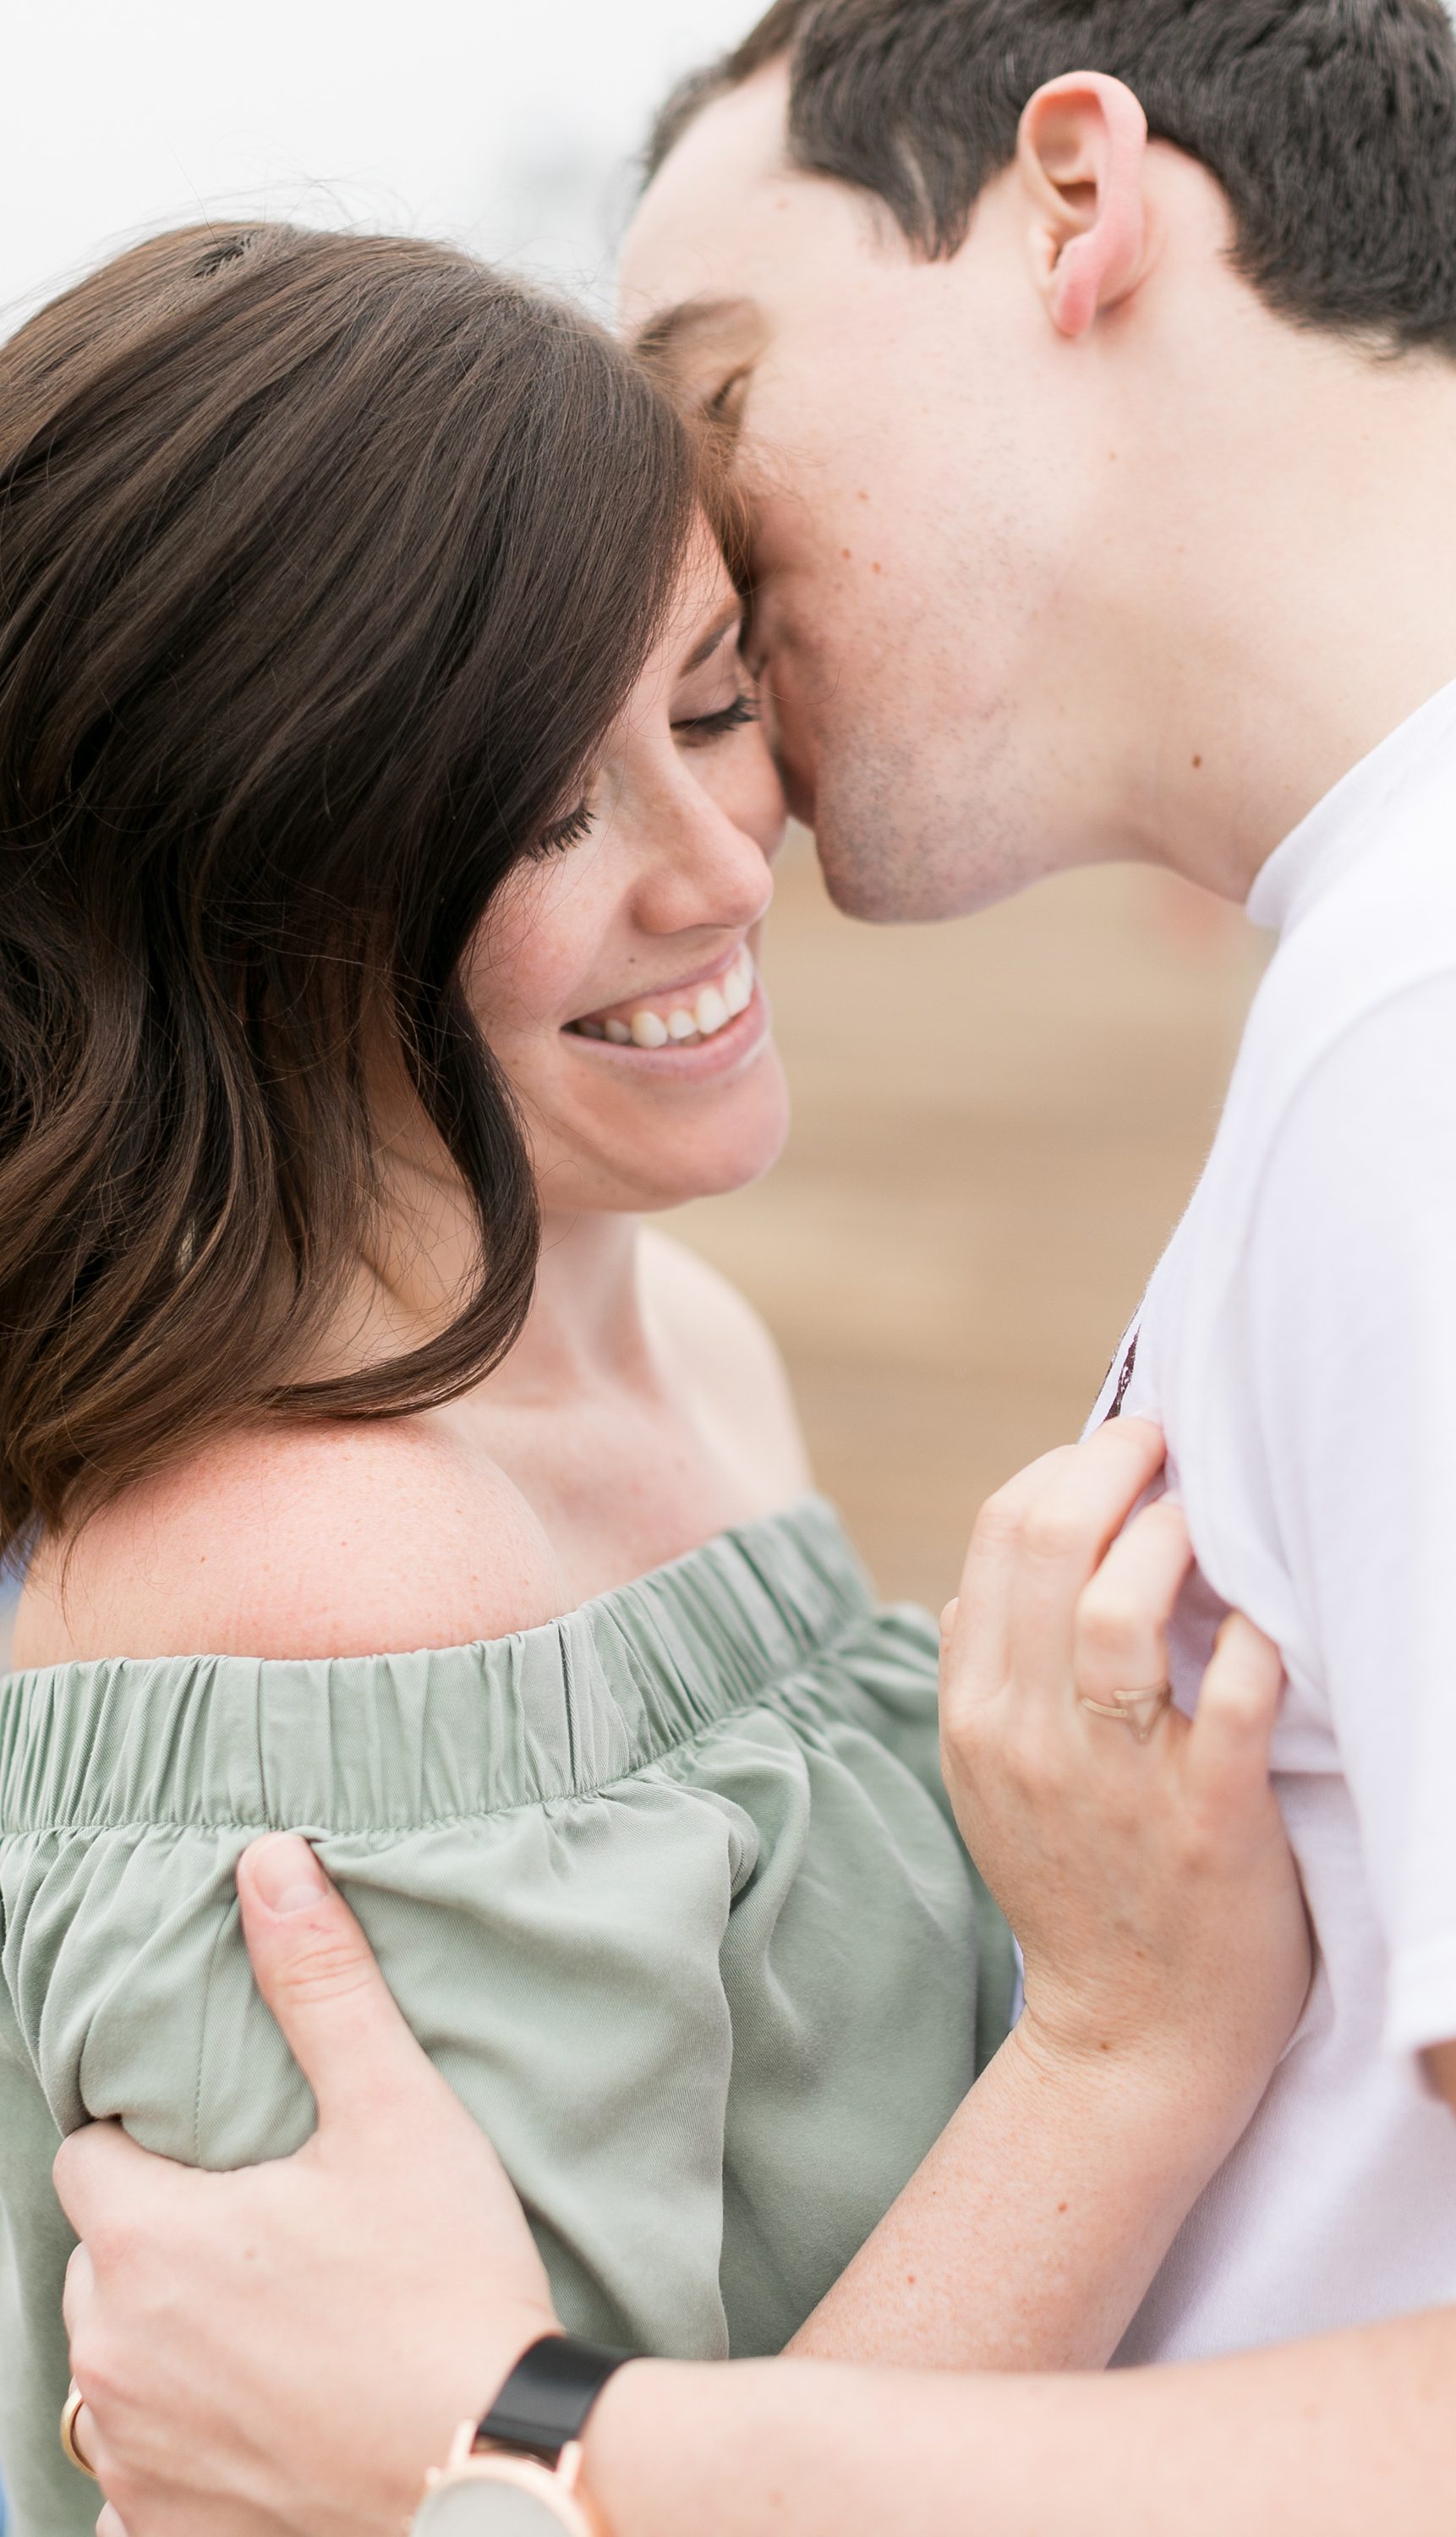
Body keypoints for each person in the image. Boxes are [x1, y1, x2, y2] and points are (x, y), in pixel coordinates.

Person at [44, 0, 1456, 2526]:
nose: (742, 811)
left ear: (1074, 202)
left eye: (723, 376)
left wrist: (527, 2456)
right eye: (533, 792)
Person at [0, 218, 1311, 2535]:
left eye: (712, 707)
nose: (718, 869)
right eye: (535, 808)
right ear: (242, 870)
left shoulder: (669, 1328)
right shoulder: (328, 1572)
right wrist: (1125, 2057)